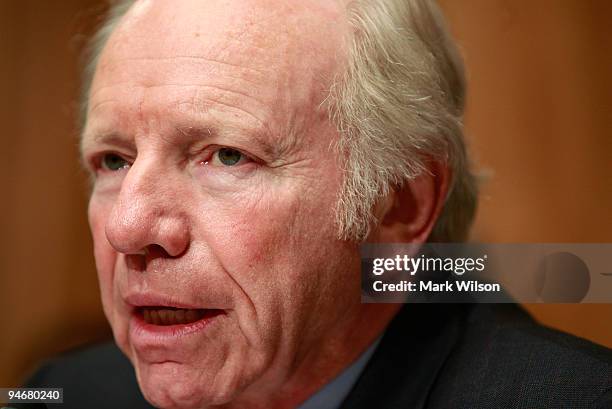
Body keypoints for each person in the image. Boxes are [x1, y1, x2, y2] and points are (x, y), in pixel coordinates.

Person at [24, 0, 612, 408]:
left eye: (226, 156)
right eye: (114, 160)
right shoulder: (59, 394)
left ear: (399, 206)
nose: (128, 227)